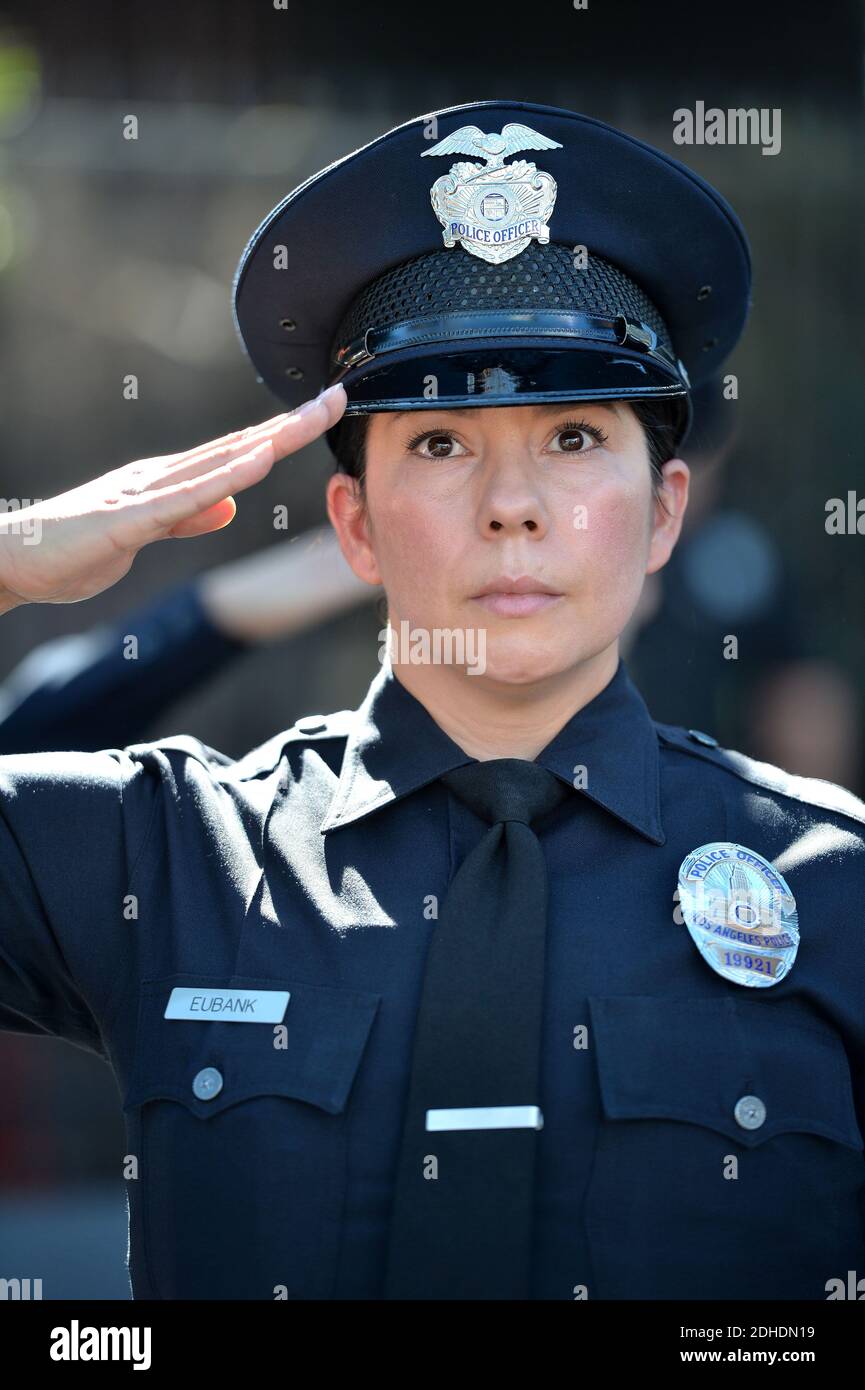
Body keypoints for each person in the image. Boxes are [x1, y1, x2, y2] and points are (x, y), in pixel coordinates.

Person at [0, 99, 863, 1302]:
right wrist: (17, 553)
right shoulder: (166, 853)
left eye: (571, 436)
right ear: (352, 522)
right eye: (442, 443)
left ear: (665, 510)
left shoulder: (834, 886)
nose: (512, 504)